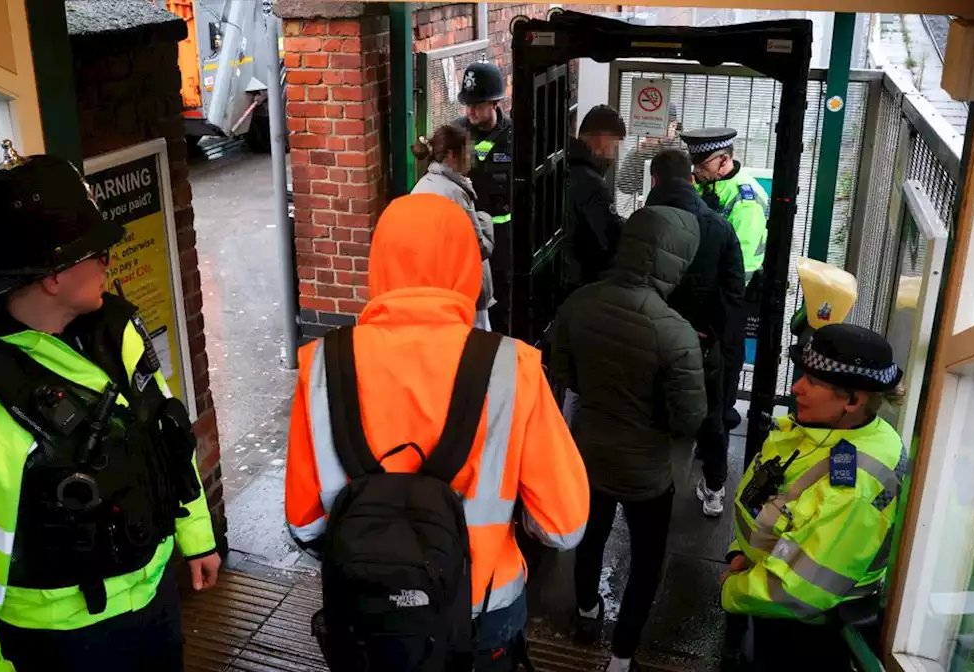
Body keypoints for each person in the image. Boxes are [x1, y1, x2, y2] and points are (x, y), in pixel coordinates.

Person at [0, 146, 220, 672]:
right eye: (94, 252)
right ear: (53, 275)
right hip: (66, 642)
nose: (108, 261)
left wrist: (197, 538)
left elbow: (166, 436)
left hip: (156, 599)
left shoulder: (116, 328)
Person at [285, 193, 590, 672]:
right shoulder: (512, 367)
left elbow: (304, 524)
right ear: (467, 263)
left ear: (378, 263)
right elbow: (564, 526)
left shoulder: (322, 365)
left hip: (369, 610)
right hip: (482, 610)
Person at [550, 204, 706, 672]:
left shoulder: (580, 302)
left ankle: (585, 614)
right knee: (646, 560)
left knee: (590, 539)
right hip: (648, 471)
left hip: (589, 451)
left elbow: (564, 373)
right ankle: (621, 656)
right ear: (676, 259)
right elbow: (689, 420)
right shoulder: (676, 334)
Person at [720, 323, 908, 669]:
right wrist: (741, 552)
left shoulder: (853, 483)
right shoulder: (825, 429)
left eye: (813, 382)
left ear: (853, 400)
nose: (796, 388)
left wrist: (732, 591)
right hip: (765, 590)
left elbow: (801, 588)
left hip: (798, 628)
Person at [644, 149, 745, 517]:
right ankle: (715, 487)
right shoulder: (719, 227)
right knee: (710, 418)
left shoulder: (644, 222)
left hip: (652, 340)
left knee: (650, 413)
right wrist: (713, 335)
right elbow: (734, 292)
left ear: (655, 181)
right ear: (690, 179)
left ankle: (647, 488)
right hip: (701, 344)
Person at [681, 127, 768, 434]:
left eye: (702, 165)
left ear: (724, 160)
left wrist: (717, 309)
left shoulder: (746, 200)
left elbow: (740, 266)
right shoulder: (710, 185)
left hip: (732, 293)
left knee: (726, 353)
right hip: (707, 287)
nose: (696, 171)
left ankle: (722, 412)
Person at [411, 124, 496, 330]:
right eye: (467, 152)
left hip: (437, 291)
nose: (471, 158)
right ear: (451, 155)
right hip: (465, 292)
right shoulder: (454, 193)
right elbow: (479, 248)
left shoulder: (423, 185)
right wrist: (485, 221)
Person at [454, 61, 515, 334]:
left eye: (477, 105)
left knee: (502, 299)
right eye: (467, 105)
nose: (470, 111)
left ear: (495, 103)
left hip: (504, 237)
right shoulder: (457, 134)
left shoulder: (514, 136)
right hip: (468, 236)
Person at [565, 104, 629, 292]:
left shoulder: (563, 164)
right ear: (601, 140)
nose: (614, 155)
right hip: (579, 283)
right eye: (614, 145)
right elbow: (606, 239)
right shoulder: (591, 183)